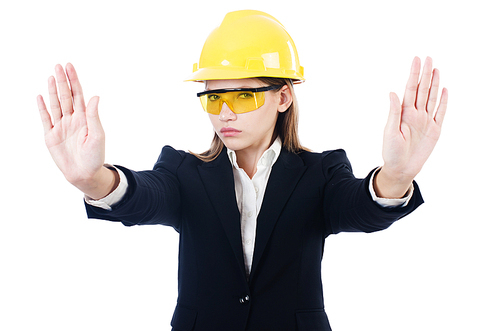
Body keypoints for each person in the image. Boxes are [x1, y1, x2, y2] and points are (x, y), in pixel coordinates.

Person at [36, 9, 448, 331]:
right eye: (214, 99)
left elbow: (357, 207)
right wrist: (93, 180)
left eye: (244, 95)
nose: (226, 113)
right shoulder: (183, 172)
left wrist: (396, 176)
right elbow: (146, 195)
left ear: (283, 96)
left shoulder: (321, 174)